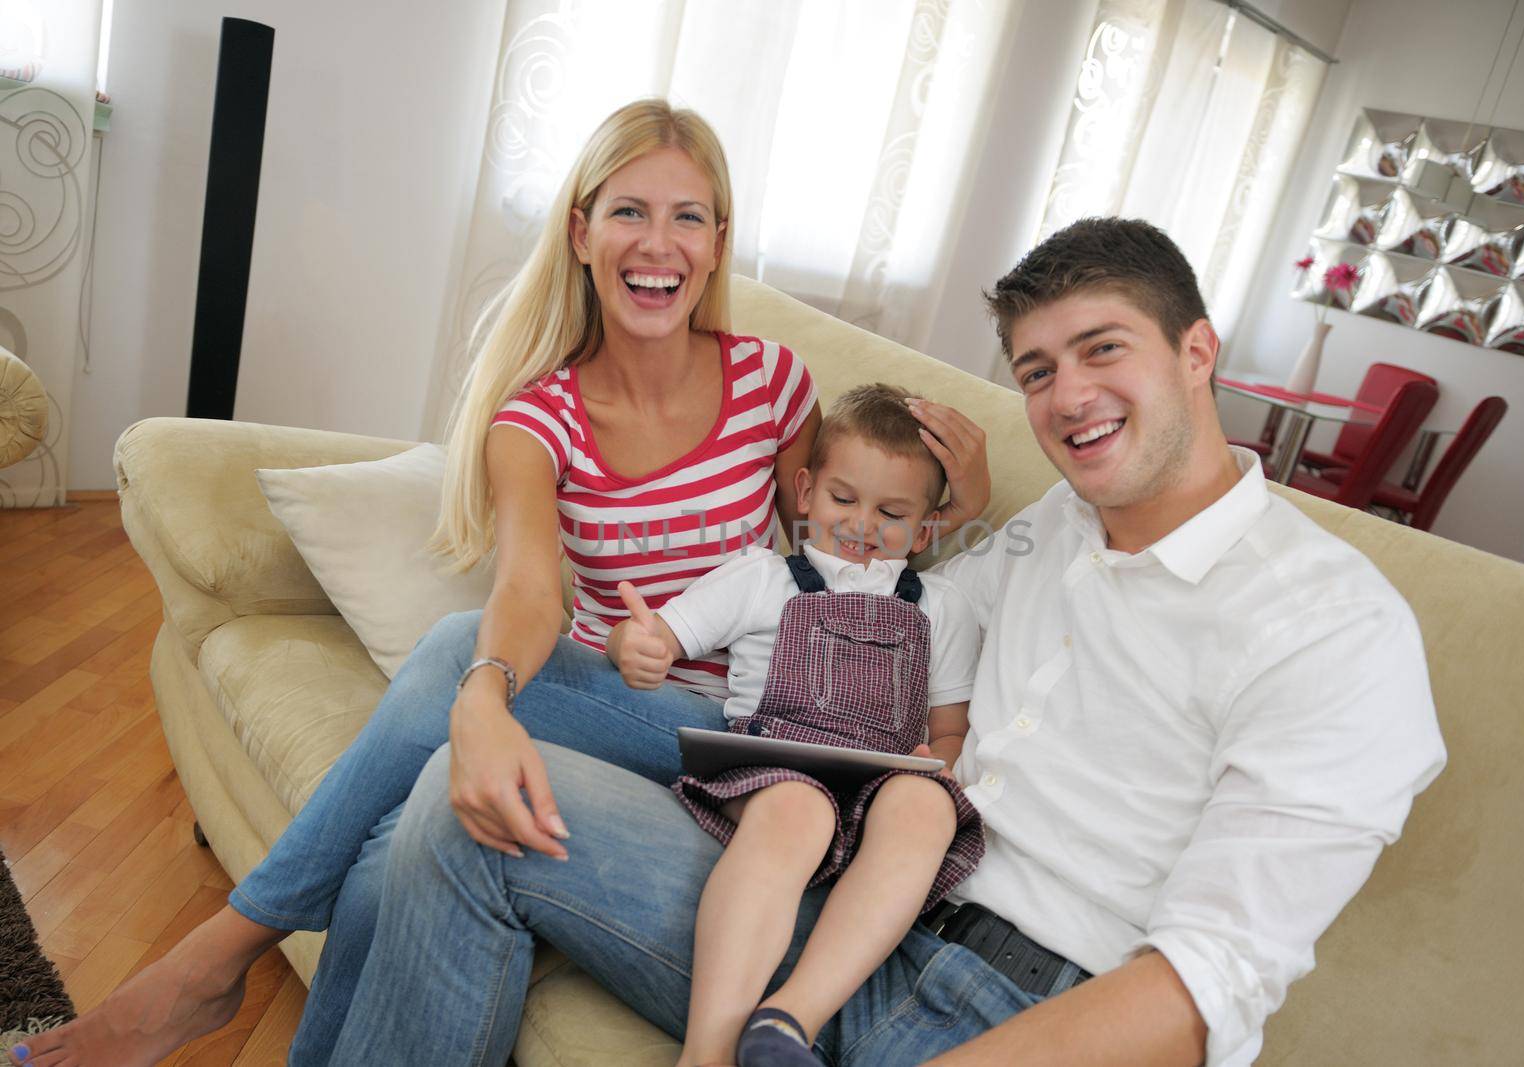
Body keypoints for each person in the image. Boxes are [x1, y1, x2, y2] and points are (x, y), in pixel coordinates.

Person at [317, 216, 1446, 1066]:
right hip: (844, 911)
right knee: (475, 808)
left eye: (1104, 350)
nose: (1068, 397)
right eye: (1038, 369)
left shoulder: (1335, 630)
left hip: (1022, 1006)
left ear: (1197, 350)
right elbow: (896, 614)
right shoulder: (1056, 521)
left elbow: (1204, 985)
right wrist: (941, 519)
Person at [4, 100, 992, 1067]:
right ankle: (219, 976)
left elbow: (848, 550)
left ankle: (209, 960)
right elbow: (530, 589)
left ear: (719, 239)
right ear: (581, 230)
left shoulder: (772, 383)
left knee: (449, 656)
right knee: (396, 840)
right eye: (629, 211)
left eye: (688, 215)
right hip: (615, 702)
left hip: (745, 736)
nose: (659, 243)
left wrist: (962, 506)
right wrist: (489, 689)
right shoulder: (537, 414)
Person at [608, 384, 985, 1066]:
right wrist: (635, 646)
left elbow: (949, 726)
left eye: (892, 511)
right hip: (772, 769)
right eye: (844, 499)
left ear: (927, 528)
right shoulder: (762, 578)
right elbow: (658, 631)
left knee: (930, 804)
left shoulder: (943, 606)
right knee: (799, 808)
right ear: (805, 492)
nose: (863, 523)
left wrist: (943, 759)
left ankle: (786, 1025)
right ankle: (708, 1051)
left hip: (876, 788)